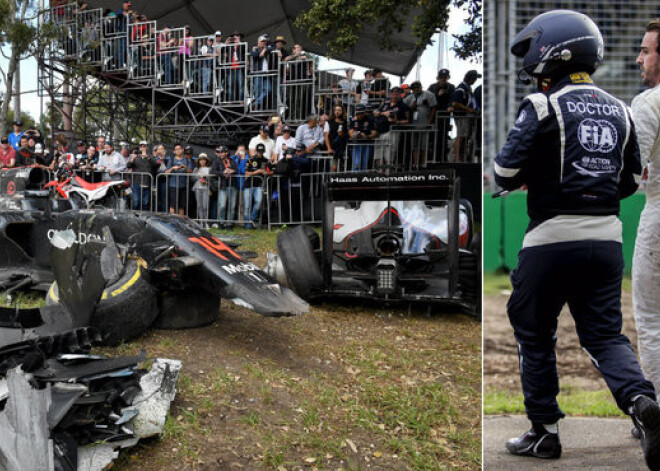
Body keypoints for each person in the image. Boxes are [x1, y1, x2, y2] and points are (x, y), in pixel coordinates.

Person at [494, 10, 660, 468]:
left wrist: (533, 176)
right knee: (606, 336)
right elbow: (629, 181)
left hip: (550, 238)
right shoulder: (623, 108)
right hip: (606, 240)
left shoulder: (543, 105)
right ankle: (642, 403)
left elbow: (504, 171)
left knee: (535, 333)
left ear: (555, 52)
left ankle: (544, 433)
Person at [632, 18, 660, 410]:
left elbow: (632, 169)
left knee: (651, 321)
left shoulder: (648, 102)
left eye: (645, 51)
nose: (638, 59)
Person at [374, 87, 411, 167]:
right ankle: (379, 169)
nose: (394, 95)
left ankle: (388, 170)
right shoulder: (385, 103)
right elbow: (376, 113)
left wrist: (396, 122)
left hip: (392, 131)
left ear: (400, 94)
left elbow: (407, 120)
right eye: (392, 93)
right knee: (378, 151)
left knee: (389, 151)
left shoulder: (403, 106)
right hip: (380, 131)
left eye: (396, 93)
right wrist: (384, 113)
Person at [404, 81, 437, 168]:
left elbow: (433, 107)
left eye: (418, 87)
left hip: (424, 123)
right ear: (412, 89)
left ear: (421, 86)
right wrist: (412, 107)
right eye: (414, 88)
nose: (417, 89)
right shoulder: (409, 97)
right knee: (414, 145)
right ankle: (416, 164)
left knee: (424, 144)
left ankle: (424, 163)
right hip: (413, 124)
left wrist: (430, 120)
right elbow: (404, 109)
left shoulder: (429, 94)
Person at [451, 70, 480, 162]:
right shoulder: (461, 89)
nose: (475, 81)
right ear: (470, 78)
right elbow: (455, 103)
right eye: (474, 78)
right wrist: (468, 109)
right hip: (462, 116)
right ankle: (458, 159)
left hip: (467, 116)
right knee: (461, 136)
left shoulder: (467, 88)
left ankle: (462, 157)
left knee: (465, 137)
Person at [429, 69, 456, 159]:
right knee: (432, 137)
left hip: (444, 117)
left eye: (445, 77)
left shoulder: (451, 87)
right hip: (433, 116)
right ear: (438, 77)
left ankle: (442, 157)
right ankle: (432, 156)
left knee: (443, 137)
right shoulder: (432, 87)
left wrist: (450, 106)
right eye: (441, 77)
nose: (443, 79)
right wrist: (437, 95)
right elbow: (428, 99)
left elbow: (452, 98)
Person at [127, 141, 159, 210]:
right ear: (139, 148)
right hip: (136, 182)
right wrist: (132, 159)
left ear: (147, 147)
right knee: (136, 201)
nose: (142, 148)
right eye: (141, 146)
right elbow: (128, 166)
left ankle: (144, 217)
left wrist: (147, 157)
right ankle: (134, 216)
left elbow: (156, 165)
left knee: (145, 202)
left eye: (144, 146)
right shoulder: (135, 156)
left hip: (147, 182)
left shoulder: (151, 156)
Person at [243, 143, 269, 228]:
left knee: (258, 202)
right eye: (258, 151)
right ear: (256, 151)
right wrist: (256, 172)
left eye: (261, 152)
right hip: (248, 185)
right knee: (247, 206)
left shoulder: (266, 160)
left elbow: (270, 171)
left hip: (259, 185)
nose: (260, 153)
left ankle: (252, 219)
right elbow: (246, 173)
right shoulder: (250, 160)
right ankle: (248, 225)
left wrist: (266, 173)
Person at [211, 145, 238, 227]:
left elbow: (236, 170)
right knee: (222, 205)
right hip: (223, 185)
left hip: (232, 185)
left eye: (223, 152)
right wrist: (223, 173)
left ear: (227, 153)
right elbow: (213, 171)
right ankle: (221, 222)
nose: (221, 153)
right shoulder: (217, 161)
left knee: (232, 206)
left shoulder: (232, 161)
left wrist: (231, 171)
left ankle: (229, 223)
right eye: (220, 152)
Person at [165, 143, 192, 215]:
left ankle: (181, 223)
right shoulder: (171, 160)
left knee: (182, 206)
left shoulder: (187, 160)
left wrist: (185, 167)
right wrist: (172, 168)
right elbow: (166, 173)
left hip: (183, 186)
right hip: (173, 185)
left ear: (183, 150)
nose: (178, 151)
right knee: (172, 205)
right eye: (176, 149)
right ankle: (173, 222)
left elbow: (190, 172)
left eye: (179, 149)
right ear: (174, 151)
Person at [348, 104, 377, 171]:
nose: (359, 115)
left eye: (361, 113)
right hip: (356, 144)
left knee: (364, 164)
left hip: (367, 144)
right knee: (356, 163)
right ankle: (354, 179)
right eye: (358, 113)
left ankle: (362, 180)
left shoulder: (370, 119)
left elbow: (374, 132)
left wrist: (366, 136)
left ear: (364, 112)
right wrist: (355, 135)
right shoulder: (353, 119)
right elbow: (350, 132)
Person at [326, 105, 348, 172]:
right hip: (333, 147)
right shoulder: (329, 122)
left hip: (343, 147)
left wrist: (342, 134)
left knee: (342, 168)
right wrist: (329, 148)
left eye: (339, 110)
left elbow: (347, 134)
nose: (337, 112)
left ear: (342, 111)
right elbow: (326, 135)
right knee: (334, 168)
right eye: (335, 110)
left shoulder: (345, 122)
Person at [192, 153, 213, 223]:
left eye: (204, 160)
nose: (202, 161)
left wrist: (206, 177)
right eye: (200, 160)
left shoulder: (209, 169)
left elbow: (211, 179)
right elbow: (192, 178)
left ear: (206, 161)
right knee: (199, 205)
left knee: (205, 205)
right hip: (197, 187)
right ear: (198, 161)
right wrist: (197, 175)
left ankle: (205, 221)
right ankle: (201, 221)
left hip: (206, 188)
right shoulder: (196, 169)